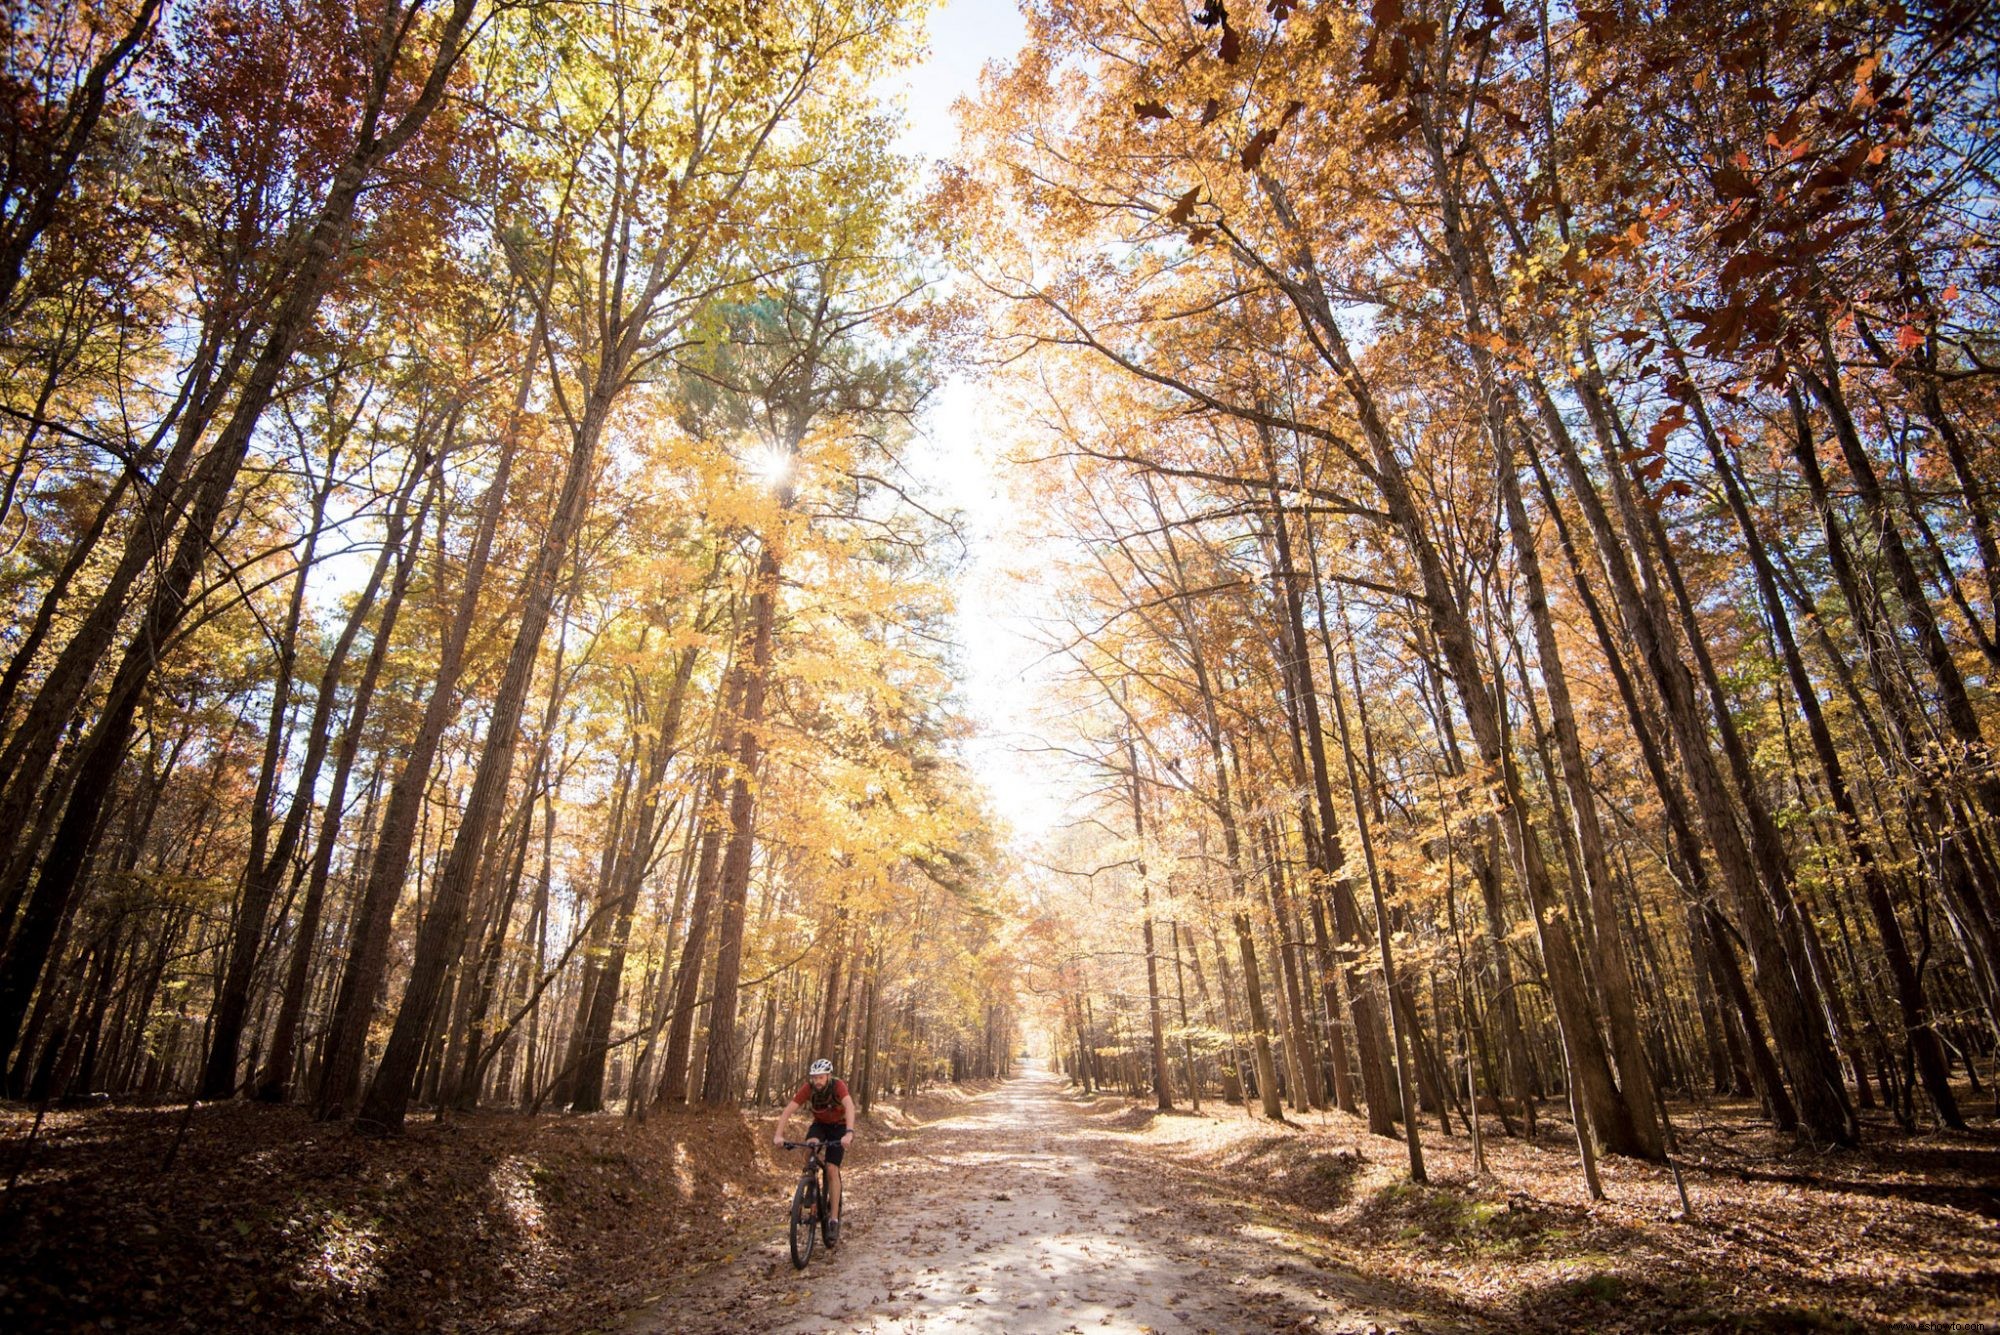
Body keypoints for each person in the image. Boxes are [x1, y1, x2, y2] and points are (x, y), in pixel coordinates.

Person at [774, 1057, 855, 1242]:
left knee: (832, 1169)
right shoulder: (808, 1089)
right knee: (809, 1147)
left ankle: (833, 1219)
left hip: (840, 1127)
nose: (817, 1081)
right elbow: (787, 1111)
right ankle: (810, 1185)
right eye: (815, 1077)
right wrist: (778, 1135)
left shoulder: (837, 1086)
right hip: (820, 1125)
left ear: (828, 1076)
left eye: (821, 1077)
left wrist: (849, 1133)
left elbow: (849, 1106)